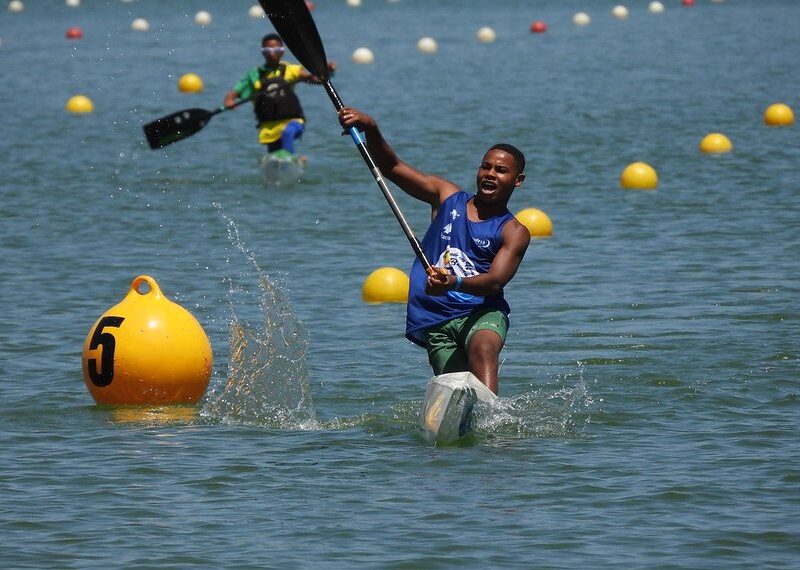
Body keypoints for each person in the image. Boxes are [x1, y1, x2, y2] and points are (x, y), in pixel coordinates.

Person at [338, 107, 530, 395]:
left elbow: (494, 282)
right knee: (457, 390)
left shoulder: (514, 232)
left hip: (482, 312)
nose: (490, 174)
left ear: (518, 180)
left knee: (484, 346)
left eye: (501, 170)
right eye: (485, 166)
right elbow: (391, 167)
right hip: (437, 320)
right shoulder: (446, 196)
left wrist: (454, 282)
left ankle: (494, 416)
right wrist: (371, 127)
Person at [224, 33, 335, 156]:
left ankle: (289, 159)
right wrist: (229, 101)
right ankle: (287, 161)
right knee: (275, 156)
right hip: (269, 128)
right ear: (262, 52)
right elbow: (233, 93)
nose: (272, 53)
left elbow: (317, 80)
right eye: (268, 50)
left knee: (287, 134)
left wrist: (326, 71)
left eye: (276, 49)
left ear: (282, 51)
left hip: (293, 122)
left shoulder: (291, 69)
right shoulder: (253, 75)